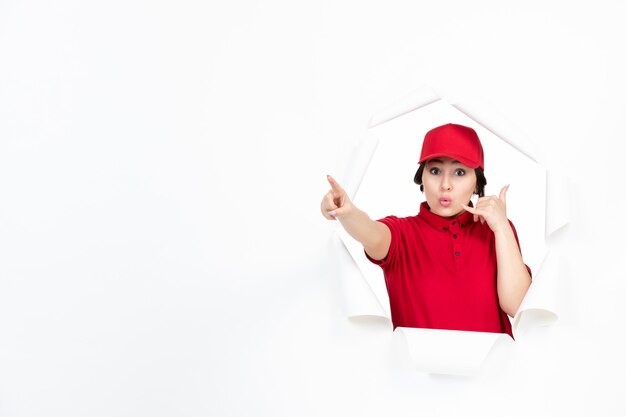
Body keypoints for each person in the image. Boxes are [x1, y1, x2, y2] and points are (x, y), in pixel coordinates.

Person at [320, 123, 531, 338]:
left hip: (495, 370)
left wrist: (502, 228)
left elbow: (518, 307)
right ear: (422, 177)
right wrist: (348, 213)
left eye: (459, 172)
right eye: (435, 171)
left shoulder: (496, 231)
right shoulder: (402, 235)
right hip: (416, 371)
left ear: (477, 183)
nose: (446, 185)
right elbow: (370, 232)